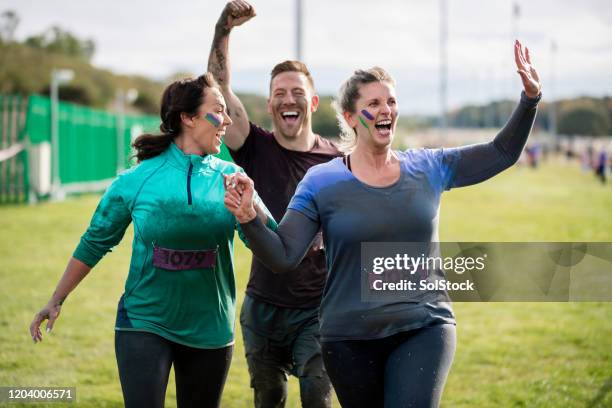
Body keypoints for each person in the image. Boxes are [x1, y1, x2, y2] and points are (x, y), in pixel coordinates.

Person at [223, 40, 542, 407]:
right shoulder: (322, 182)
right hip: (348, 337)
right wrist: (249, 219)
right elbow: (283, 255)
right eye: (373, 103)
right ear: (349, 116)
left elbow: (500, 153)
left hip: (424, 324)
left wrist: (530, 100)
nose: (385, 109)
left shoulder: (427, 167)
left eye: (390, 101)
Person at [29, 73, 275, 408]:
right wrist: (56, 299)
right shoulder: (136, 181)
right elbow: (94, 241)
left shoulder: (234, 181)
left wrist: (252, 215)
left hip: (211, 329)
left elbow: (272, 242)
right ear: (187, 118)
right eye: (219, 111)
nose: (228, 120)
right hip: (144, 323)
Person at [207, 1, 340, 407]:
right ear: (269, 106)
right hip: (262, 308)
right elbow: (217, 87)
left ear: (313, 103)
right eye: (279, 94)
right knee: (269, 399)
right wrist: (223, 30)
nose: (289, 100)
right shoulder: (254, 147)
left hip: (318, 310)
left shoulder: (337, 162)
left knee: (317, 397)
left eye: (298, 93)